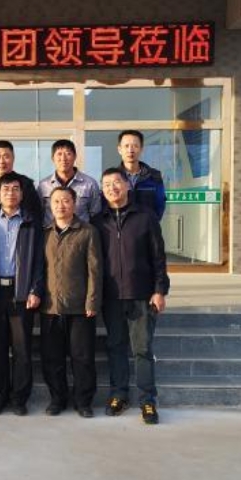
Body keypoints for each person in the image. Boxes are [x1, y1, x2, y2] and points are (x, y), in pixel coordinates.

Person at [92, 168, 170, 424]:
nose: (112, 188)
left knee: (142, 349)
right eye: (106, 184)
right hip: (111, 297)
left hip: (141, 295)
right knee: (115, 347)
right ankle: (119, 395)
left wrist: (160, 290)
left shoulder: (145, 217)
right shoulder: (98, 222)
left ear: (127, 185)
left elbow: (158, 257)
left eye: (116, 182)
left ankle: (147, 400)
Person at [0, 172, 44, 415]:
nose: (10, 193)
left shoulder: (31, 222)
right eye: (5, 189)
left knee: (21, 348)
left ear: (22, 193)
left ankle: (19, 398)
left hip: (21, 291)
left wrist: (35, 289)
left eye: (15, 189)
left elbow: (40, 259)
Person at [40, 186, 102, 418]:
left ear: (74, 204)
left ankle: (83, 401)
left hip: (80, 307)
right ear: (50, 205)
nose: (61, 206)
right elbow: (39, 269)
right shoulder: (44, 233)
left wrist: (92, 302)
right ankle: (57, 399)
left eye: (66, 201)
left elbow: (95, 270)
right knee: (52, 358)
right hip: (50, 307)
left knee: (82, 357)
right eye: (56, 201)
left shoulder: (88, 232)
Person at [37, 139, 102, 227]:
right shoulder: (43, 185)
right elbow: (39, 214)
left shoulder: (89, 184)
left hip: (80, 233)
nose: (63, 158)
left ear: (75, 157)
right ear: (53, 158)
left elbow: (96, 215)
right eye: (59, 154)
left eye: (68, 154)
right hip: (51, 234)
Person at [117, 129, 166, 221]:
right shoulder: (113, 177)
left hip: (147, 228)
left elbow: (160, 206)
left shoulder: (154, 176)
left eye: (135, 146)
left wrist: (150, 225)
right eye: (126, 146)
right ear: (119, 149)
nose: (130, 150)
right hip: (120, 228)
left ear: (141, 149)